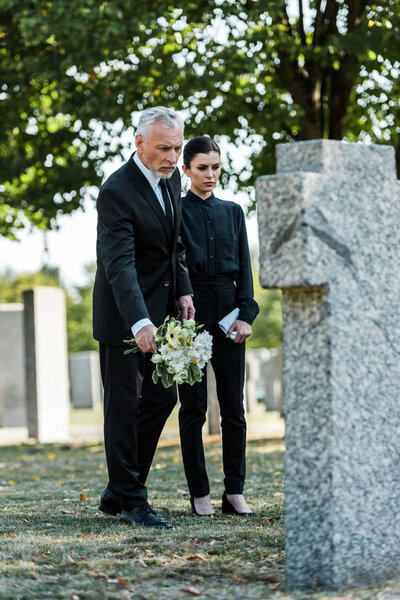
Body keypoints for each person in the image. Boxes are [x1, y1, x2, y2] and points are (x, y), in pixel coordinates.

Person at [93, 107, 194, 529]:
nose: (172, 158)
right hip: (123, 319)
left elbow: (174, 247)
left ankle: (119, 489)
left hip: (163, 313)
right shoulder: (116, 190)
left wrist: (184, 288)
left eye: (177, 148)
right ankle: (134, 501)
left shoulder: (171, 183)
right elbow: (119, 265)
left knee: (161, 399)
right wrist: (140, 323)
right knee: (122, 406)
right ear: (139, 144)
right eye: (164, 149)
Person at [178, 136, 259, 516]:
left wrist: (246, 314)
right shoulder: (175, 212)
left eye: (215, 167)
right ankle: (199, 494)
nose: (210, 175)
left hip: (229, 312)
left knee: (233, 407)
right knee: (192, 408)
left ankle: (234, 491)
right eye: (202, 168)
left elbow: (245, 269)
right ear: (186, 170)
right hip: (188, 315)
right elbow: (172, 266)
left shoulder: (234, 212)